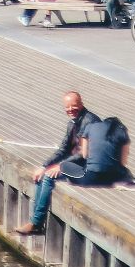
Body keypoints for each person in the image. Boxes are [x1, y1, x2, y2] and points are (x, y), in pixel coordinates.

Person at [17, 91, 100, 237]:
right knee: (42, 174)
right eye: (67, 107)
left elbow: (85, 154)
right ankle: (34, 221)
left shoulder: (91, 122)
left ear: (81, 104)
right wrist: (44, 166)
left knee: (49, 177)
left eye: (74, 106)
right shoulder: (73, 123)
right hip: (79, 163)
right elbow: (63, 150)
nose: (70, 110)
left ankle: (36, 223)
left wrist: (61, 166)